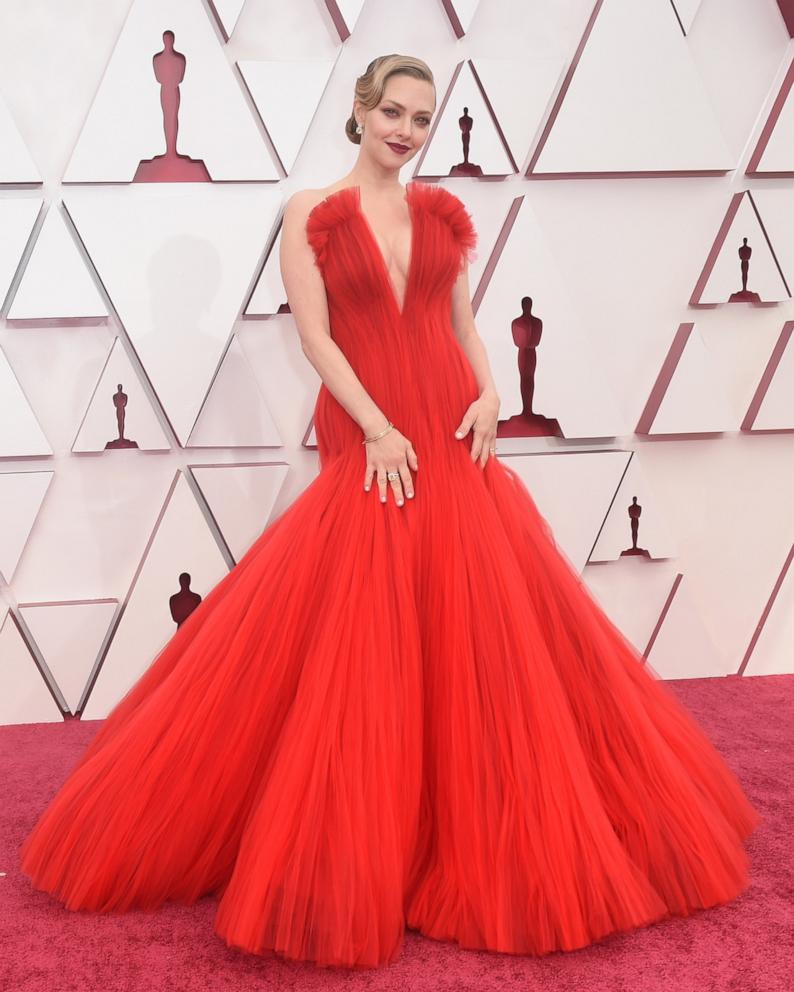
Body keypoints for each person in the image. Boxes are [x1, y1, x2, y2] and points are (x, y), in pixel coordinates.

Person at [19, 53, 761, 971]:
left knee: (478, 632)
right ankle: (371, 840)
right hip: (373, 433)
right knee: (365, 631)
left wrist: (490, 394)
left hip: (453, 431)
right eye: (393, 113)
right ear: (360, 112)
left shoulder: (441, 214)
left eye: (422, 116)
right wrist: (374, 427)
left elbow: (462, 324)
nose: (407, 131)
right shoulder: (312, 214)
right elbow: (316, 336)